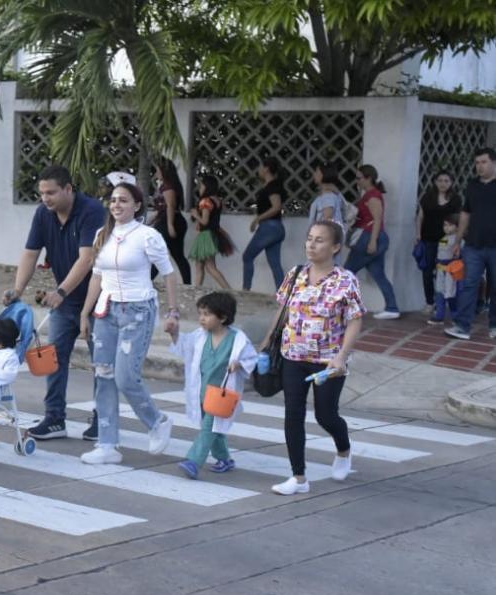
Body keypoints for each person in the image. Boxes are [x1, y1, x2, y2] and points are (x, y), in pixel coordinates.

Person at [78, 182, 182, 465]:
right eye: (113, 200)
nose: (116, 205)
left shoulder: (148, 236)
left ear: (137, 206)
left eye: (123, 200)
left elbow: (169, 273)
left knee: (125, 377)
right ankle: (107, 444)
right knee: (104, 376)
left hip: (137, 310)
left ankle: (157, 421)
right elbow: (97, 276)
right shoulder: (102, 234)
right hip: (105, 311)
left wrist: (173, 312)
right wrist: (85, 312)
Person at [3, 164, 105, 442]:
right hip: (66, 303)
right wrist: (17, 289)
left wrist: (60, 291)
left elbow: (87, 258)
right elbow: (30, 253)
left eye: (51, 193)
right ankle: (54, 418)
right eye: (42, 193)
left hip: (98, 301)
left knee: (102, 364)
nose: (45, 198)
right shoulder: (43, 214)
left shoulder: (92, 211)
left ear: (68, 189)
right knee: (54, 359)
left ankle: (104, 418)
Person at [262, 220, 364, 496]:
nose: (311, 244)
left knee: (326, 415)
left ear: (335, 247)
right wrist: (267, 341)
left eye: (320, 240)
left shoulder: (346, 280)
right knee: (293, 413)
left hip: (328, 362)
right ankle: (298, 477)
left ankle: (343, 450)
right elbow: (283, 310)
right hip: (293, 355)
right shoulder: (295, 274)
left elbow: (355, 319)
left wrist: (341, 357)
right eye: (309, 238)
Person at [168, 292, 258, 480]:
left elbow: (251, 358)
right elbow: (184, 345)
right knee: (214, 428)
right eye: (200, 313)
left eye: (207, 314)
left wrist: (239, 364)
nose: (201, 318)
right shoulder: (200, 336)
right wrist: (174, 333)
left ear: (223, 317)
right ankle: (225, 459)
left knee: (209, 426)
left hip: (221, 394)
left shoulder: (238, 339)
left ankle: (194, 461)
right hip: (201, 392)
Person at [445, 148, 496, 341]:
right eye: (477, 163)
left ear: (494, 163)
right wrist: (458, 241)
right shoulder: (472, 185)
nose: (479, 166)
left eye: (484, 162)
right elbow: (466, 213)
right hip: (474, 244)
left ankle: (494, 325)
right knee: (468, 285)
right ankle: (462, 326)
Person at [344, 164, 400, 319]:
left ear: (368, 178)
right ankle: (392, 308)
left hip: (369, 237)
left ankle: (342, 307)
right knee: (378, 274)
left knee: (347, 272)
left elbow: (377, 220)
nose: (357, 181)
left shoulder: (373, 196)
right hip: (373, 237)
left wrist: (373, 241)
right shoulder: (370, 195)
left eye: (359, 178)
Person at [415, 170, 462, 308]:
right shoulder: (427, 197)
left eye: (446, 181)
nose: (443, 184)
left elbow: (458, 220)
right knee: (427, 271)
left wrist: (458, 240)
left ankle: (447, 301)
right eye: (440, 180)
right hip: (428, 239)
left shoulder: (456, 199)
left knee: (447, 270)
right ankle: (430, 302)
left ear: (451, 183)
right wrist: (418, 234)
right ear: (435, 182)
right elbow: (420, 217)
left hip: (448, 241)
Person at [243, 157, 287, 290]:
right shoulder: (272, 186)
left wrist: (257, 219)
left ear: (266, 168)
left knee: (247, 256)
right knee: (275, 263)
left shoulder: (272, 186)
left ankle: (246, 290)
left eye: (260, 166)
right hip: (276, 228)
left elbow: (276, 207)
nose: (259, 169)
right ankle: (282, 294)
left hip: (269, 227)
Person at [187, 174, 233, 289]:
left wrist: (195, 215)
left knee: (210, 267)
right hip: (213, 234)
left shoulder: (205, 202)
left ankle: (229, 290)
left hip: (205, 236)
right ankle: (196, 291)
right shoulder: (217, 201)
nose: (200, 188)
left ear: (207, 186)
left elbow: (204, 221)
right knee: (200, 266)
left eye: (202, 185)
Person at [151, 157, 191, 285]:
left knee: (160, 254)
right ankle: (187, 283)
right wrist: (151, 221)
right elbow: (162, 209)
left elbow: (170, 206)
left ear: (164, 171)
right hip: (168, 221)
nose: (156, 173)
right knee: (176, 255)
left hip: (170, 222)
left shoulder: (168, 187)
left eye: (158, 170)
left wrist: (170, 225)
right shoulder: (166, 185)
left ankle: (147, 281)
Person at [428, 213, 463, 325]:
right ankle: (439, 315)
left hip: (451, 272)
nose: (446, 228)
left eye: (450, 225)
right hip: (440, 270)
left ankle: (456, 316)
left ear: (457, 227)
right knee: (439, 292)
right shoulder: (444, 238)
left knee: (451, 294)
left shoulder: (459, 240)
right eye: (445, 225)